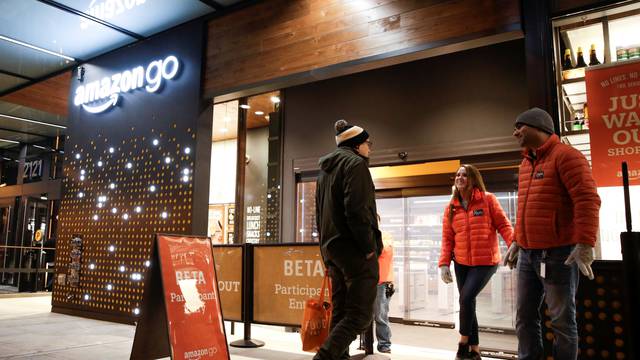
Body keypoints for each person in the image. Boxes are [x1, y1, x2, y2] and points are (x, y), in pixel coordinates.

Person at [506, 107, 601, 360]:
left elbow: (587, 199)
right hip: (527, 254)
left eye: (519, 126)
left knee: (561, 321)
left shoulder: (567, 156)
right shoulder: (526, 163)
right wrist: (517, 239)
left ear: (538, 126)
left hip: (558, 255)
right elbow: (525, 206)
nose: (515, 133)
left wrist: (584, 243)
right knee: (524, 317)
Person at [314, 119, 382, 360]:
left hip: (332, 249)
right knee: (360, 315)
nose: (370, 148)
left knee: (341, 311)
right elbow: (357, 211)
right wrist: (369, 248)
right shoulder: (356, 165)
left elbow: (319, 214)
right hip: (355, 251)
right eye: (367, 143)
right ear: (356, 145)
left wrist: (325, 251)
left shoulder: (325, 170)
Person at [439, 164, 514, 360]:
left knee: (465, 299)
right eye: (457, 175)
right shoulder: (451, 208)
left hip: (485, 261)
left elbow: (504, 225)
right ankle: (475, 351)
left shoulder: (488, 200)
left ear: (473, 179)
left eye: (465, 175)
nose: (460, 177)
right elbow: (447, 238)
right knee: (468, 302)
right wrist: (444, 263)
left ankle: (463, 344)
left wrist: (514, 244)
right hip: (461, 262)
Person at [374, 223, 394, 354]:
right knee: (365, 316)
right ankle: (366, 342)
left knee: (380, 316)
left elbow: (382, 250)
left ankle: (384, 344)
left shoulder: (385, 236)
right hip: (368, 282)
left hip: (381, 282)